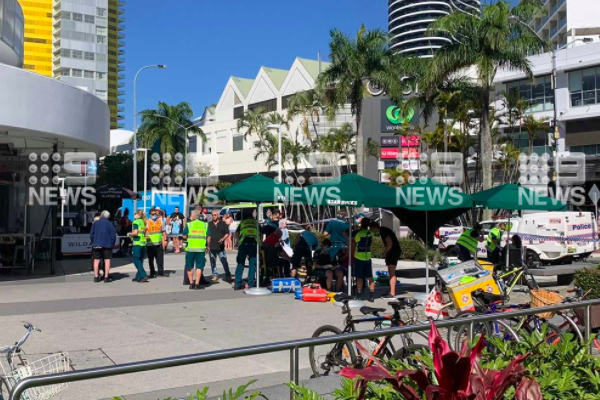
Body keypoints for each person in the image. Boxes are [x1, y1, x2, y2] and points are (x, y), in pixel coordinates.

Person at [370, 222, 402, 300]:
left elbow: (389, 243)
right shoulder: (384, 230)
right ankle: (391, 291)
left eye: (372, 229)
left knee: (391, 273)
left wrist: (384, 252)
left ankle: (392, 293)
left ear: (374, 227)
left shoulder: (383, 231)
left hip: (393, 252)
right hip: (394, 251)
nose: (372, 231)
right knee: (391, 272)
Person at [183, 210, 210, 290]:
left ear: (194, 216)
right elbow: (208, 237)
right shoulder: (205, 225)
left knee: (189, 266)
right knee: (199, 267)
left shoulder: (189, 224)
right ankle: (197, 284)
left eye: (191, 215)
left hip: (190, 248)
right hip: (201, 249)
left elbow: (184, 236)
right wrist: (208, 246)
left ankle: (191, 283)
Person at [90, 210, 116, 283]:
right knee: (107, 260)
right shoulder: (110, 224)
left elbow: (91, 234)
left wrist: (93, 241)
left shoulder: (95, 223)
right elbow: (113, 236)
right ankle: (106, 277)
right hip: (107, 245)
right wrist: (112, 244)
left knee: (96, 260)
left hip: (97, 244)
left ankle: (96, 276)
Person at [234, 214, 259, 290]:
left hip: (243, 244)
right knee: (252, 264)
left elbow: (236, 234)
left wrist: (238, 242)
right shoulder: (255, 223)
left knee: (240, 263)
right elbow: (261, 233)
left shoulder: (242, 222)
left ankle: (237, 284)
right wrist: (260, 243)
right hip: (253, 244)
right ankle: (251, 284)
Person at [354, 217, 375, 302]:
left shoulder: (358, 234)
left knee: (359, 277)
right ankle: (372, 295)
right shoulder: (371, 233)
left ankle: (359, 295)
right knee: (370, 277)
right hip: (368, 257)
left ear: (361, 224)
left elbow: (356, 242)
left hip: (359, 257)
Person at [207, 210, 232, 282]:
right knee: (212, 262)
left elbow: (227, 233)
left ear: (218, 216)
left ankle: (228, 275)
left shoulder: (222, 224)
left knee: (224, 261)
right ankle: (215, 275)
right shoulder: (209, 224)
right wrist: (207, 245)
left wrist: (223, 239)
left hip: (220, 246)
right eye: (212, 215)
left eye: (214, 215)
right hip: (212, 246)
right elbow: (207, 235)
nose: (213, 216)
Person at [146, 208, 169, 278]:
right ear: (149, 215)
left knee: (160, 259)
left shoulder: (160, 221)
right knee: (151, 260)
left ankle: (161, 272)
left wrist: (165, 240)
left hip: (159, 243)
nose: (154, 215)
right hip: (150, 244)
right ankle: (152, 273)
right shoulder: (147, 222)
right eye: (153, 214)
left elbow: (163, 231)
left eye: (155, 214)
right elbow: (144, 232)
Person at [128, 210, 149, 283]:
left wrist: (129, 234)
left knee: (135, 259)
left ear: (138, 215)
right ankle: (138, 276)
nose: (134, 215)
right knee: (140, 259)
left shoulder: (136, 222)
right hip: (143, 243)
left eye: (135, 213)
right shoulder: (143, 222)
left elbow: (135, 232)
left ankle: (143, 275)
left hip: (137, 243)